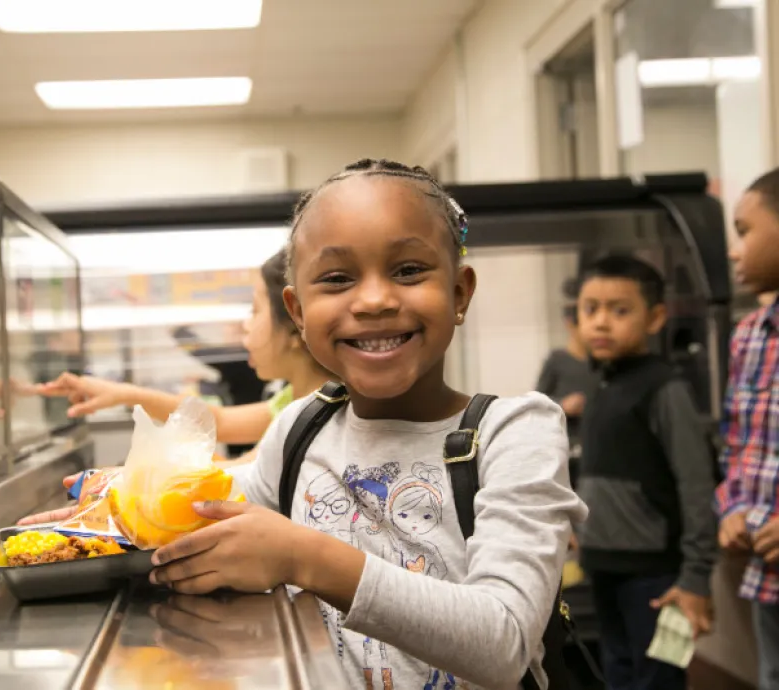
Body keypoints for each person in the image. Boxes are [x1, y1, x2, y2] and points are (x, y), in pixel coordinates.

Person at [144, 159, 587, 688]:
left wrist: (300, 556)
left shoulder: (515, 432)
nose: (375, 300)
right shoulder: (301, 430)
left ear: (460, 293)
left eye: (408, 270)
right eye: (337, 279)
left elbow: (502, 641)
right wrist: (105, 506)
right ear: (299, 312)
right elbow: (204, 505)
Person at [574, 255, 717, 690]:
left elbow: (697, 484)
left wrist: (695, 576)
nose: (600, 322)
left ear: (655, 318)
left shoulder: (665, 388)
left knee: (661, 676)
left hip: (658, 574)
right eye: (590, 308)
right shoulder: (600, 385)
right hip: (602, 564)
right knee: (617, 669)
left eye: (619, 310)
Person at [38, 249, 332, 456]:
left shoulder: (319, 415)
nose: (244, 325)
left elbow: (244, 467)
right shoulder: (289, 403)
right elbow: (221, 421)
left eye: (253, 310)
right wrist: (125, 394)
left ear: (295, 322)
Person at [715, 168, 779, 690]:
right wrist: (733, 505)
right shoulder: (750, 336)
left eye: (744, 230)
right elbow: (738, 438)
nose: (735, 251)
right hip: (766, 572)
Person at [535, 279, 599, 446]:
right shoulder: (557, 360)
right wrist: (563, 404)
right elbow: (537, 402)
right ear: (570, 324)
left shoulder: (603, 362)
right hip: (565, 442)